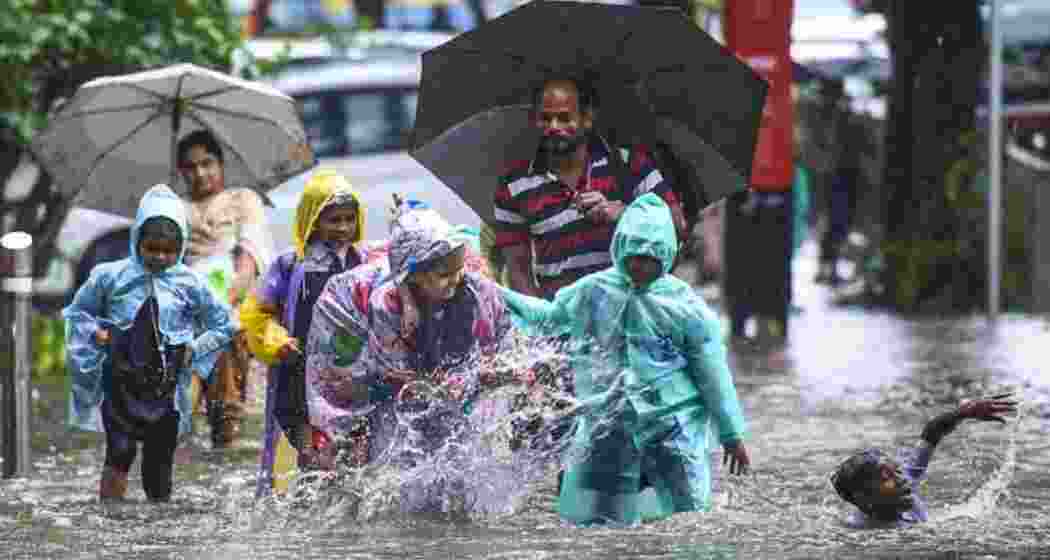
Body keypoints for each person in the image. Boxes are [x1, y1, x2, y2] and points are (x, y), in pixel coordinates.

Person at [499, 193, 751, 526]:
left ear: (667, 255)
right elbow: (548, 317)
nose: (640, 266)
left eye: (651, 258)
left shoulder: (686, 307)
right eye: (633, 256)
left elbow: (712, 373)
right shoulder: (593, 290)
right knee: (592, 523)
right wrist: (497, 294)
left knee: (689, 520)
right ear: (619, 248)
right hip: (608, 424)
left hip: (670, 427)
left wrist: (731, 433)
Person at [305, 200, 510, 478]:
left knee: (460, 428)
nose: (455, 279)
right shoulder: (382, 303)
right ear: (414, 278)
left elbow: (495, 345)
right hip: (351, 337)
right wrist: (429, 384)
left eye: (458, 270)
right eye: (444, 275)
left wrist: (487, 377)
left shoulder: (473, 287)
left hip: (416, 315)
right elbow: (395, 376)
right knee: (367, 436)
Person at [64, 184, 236, 502]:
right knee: (119, 452)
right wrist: (95, 334)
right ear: (137, 241)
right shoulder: (110, 277)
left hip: (166, 387)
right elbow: (78, 313)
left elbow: (225, 323)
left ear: (181, 245)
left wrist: (195, 350)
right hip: (120, 382)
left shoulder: (190, 282)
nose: (159, 257)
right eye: (151, 248)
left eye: (168, 250)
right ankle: (111, 514)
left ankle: (157, 523)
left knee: (159, 463)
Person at [238, 169, 386, 496]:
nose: (343, 228)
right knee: (311, 455)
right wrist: (276, 341)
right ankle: (304, 514)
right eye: (334, 220)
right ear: (313, 219)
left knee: (355, 457)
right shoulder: (290, 266)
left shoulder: (365, 262)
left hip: (351, 376)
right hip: (299, 376)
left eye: (349, 219)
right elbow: (256, 314)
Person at [493, 78, 689, 301]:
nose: (554, 126)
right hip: (562, 323)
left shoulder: (630, 165)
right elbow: (518, 272)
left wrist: (625, 214)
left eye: (564, 118)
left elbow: (677, 226)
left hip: (630, 319)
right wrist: (543, 322)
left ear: (587, 119)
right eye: (545, 118)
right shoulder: (512, 187)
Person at [177, 129, 273, 447]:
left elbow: (250, 258)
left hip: (229, 308)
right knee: (176, 412)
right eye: (190, 167)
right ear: (181, 172)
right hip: (182, 311)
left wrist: (224, 303)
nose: (200, 173)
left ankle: (224, 446)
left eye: (207, 163)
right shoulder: (174, 209)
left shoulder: (242, 201)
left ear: (220, 164)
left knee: (225, 406)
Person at [830, 394, 1018, 528]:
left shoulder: (903, 484)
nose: (902, 478)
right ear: (863, 498)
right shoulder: (861, 535)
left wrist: (964, 412)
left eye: (897, 470)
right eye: (887, 476)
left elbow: (931, 432)